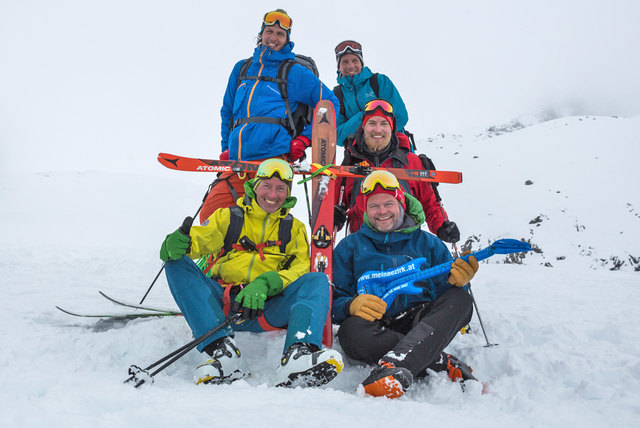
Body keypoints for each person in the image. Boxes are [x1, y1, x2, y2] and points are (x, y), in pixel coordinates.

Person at [160, 158, 343, 387]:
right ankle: (223, 353)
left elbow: (299, 268)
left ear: (287, 193)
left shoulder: (293, 228)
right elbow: (203, 239)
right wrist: (182, 244)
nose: (273, 195)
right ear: (255, 186)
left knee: (316, 280)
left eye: (280, 189)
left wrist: (268, 282)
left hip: (267, 309)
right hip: (224, 306)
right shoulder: (228, 216)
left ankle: (299, 357)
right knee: (176, 263)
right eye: (267, 186)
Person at [332, 170, 478, 398]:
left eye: (388, 203)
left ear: (401, 203)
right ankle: (436, 360)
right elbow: (334, 302)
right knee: (350, 333)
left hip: (421, 322)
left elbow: (448, 297)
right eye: (374, 206)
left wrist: (460, 283)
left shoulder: (429, 243)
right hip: (375, 328)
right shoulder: (349, 248)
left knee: (460, 300)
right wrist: (350, 305)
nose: (382, 211)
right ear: (364, 210)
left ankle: (391, 366)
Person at [199, 9, 340, 224]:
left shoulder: (294, 72)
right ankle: (218, 259)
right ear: (261, 34)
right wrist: (225, 147)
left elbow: (330, 105)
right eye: (269, 31)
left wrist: (305, 138)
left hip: (273, 160)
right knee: (211, 217)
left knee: (260, 225)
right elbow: (227, 111)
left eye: (280, 34)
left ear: (287, 40)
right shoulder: (242, 68)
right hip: (238, 161)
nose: (273, 38)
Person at [334, 98, 460, 243]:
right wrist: (334, 216)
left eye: (384, 124)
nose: (378, 129)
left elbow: (429, 203)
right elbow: (335, 203)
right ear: (363, 126)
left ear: (391, 128)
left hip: (407, 244)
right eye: (372, 123)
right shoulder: (351, 162)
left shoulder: (410, 162)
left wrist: (441, 226)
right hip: (362, 246)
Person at [333, 40, 409, 147]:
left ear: (361, 63)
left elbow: (400, 117)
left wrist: (364, 127)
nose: (350, 66)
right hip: (358, 155)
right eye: (345, 62)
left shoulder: (379, 82)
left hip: (395, 150)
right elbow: (336, 136)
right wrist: (366, 115)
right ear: (339, 67)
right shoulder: (337, 95)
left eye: (355, 60)